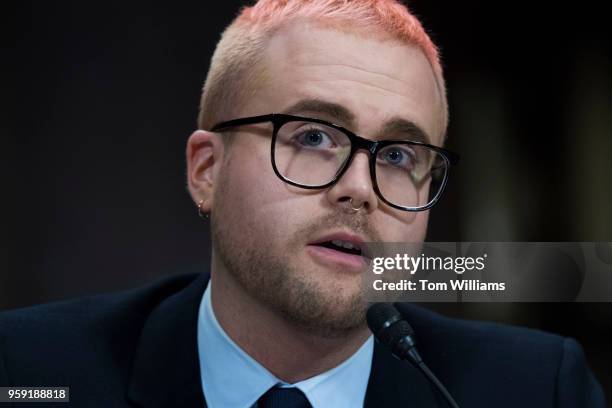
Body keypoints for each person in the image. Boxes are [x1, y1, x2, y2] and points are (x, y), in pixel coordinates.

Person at [0, 1, 605, 407]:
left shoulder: (536, 388)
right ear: (206, 171)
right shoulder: (30, 371)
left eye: (397, 156)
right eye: (314, 137)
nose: (362, 189)